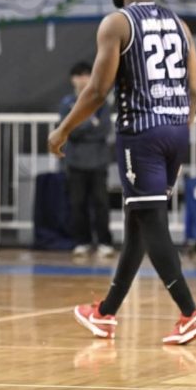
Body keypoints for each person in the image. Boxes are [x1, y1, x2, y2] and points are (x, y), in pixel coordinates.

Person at [48, 0, 196, 346]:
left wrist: (64, 129)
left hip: (141, 133)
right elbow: (194, 90)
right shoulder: (180, 25)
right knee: (139, 219)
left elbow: (97, 90)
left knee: (151, 222)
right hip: (177, 129)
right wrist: (180, 128)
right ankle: (106, 313)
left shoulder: (118, 23)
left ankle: (190, 313)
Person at [59, 62, 114, 258]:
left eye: (86, 75)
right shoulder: (67, 103)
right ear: (72, 80)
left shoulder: (101, 102)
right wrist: (90, 123)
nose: (82, 80)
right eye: (78, 76)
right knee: (77, 203)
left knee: (101, 203)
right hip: (75, 161)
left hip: (98, 161)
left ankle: (104, 241)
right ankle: (82, 241)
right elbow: (68, 130)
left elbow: (104, 130)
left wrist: (81, 125)